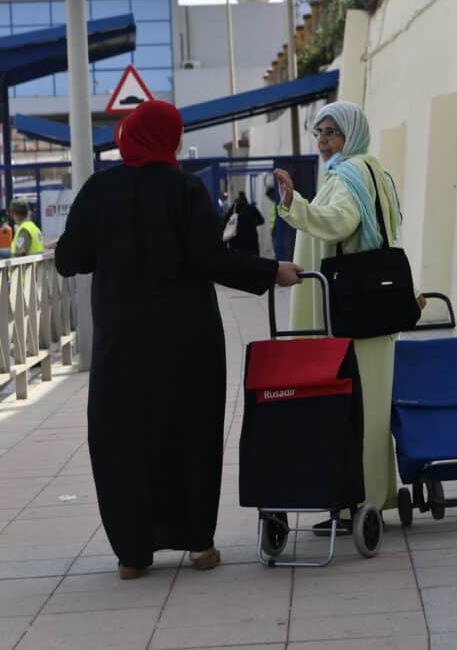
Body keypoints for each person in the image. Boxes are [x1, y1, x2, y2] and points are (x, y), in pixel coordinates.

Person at [55, 100, 304, 579]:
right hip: (188, 340)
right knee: (191, 434)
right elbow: (212, 260)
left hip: (121, 343)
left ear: (128, 134)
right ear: (169, 138)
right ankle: (199, 545)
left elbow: (69, 260)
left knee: (122, 437)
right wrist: (272, 271)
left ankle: (132, 554)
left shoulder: (99, 189)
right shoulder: (186, 189)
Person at [273, 101, 425, 534]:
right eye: (319, 132)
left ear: (351, 135)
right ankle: (374, 494)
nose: (323, 140)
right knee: (372, 407)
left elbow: (341, 223)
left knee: (347, 405)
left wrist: (294, 205)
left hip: (345, 310)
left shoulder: (345, 177)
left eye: (331, 132)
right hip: (373, 309)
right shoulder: (373, 169)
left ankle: (352, 502)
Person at [223, 191, 265, 257]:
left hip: (235, 241)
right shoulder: (252, 208)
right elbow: (261, 221)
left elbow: (224, 221)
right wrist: (252, 224)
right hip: (251, 240)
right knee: (253, 260)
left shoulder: (232, 210)